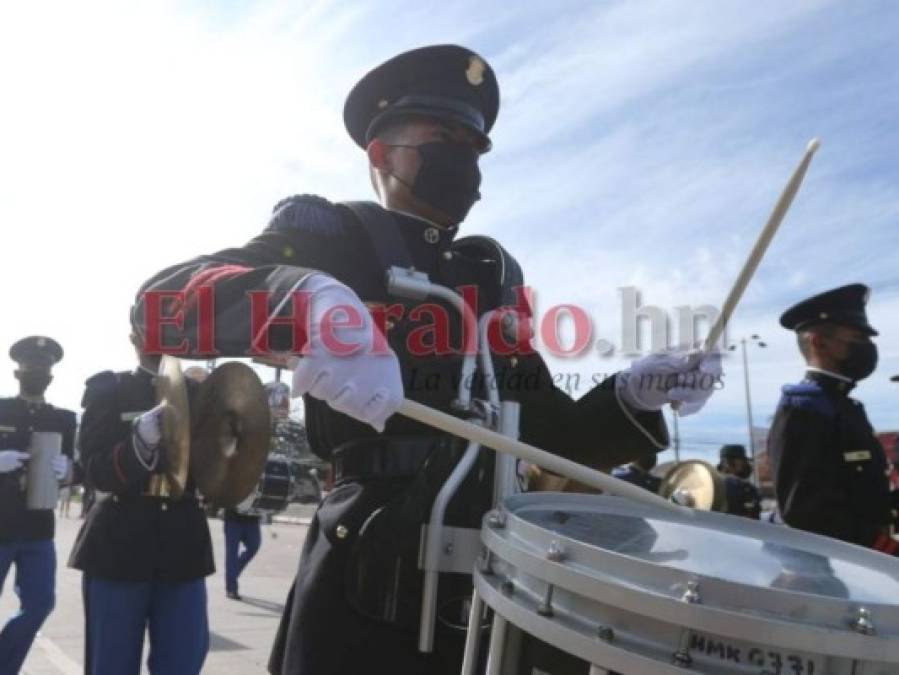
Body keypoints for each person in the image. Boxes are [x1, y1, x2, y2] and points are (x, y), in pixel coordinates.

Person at [132, 44, 720, 675]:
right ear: (380, 153)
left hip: (496, 571)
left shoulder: (490, 273)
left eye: (474, 144)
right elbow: (158, 308)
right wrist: (300, 296)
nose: (462, 157)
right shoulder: (332, 235)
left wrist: (631, 395)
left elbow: (550, 439)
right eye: (443, 136)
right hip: (370, 567)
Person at [68, 333, 214, 675]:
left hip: (182, 546)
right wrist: (138, 446)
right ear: (134, 335)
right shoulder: (110, 390)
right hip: (118, 545)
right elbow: (95, 471)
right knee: (111, 665)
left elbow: (218, 471)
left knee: (183, 662)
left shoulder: (203, 397)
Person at [769, 284, 894, 552]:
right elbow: (804, 511)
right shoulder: (804, 408)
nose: (869, 348)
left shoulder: (845, 406)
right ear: (819, 342)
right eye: (858, 339)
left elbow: (861, 494)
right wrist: (882, 548)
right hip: (839, 570)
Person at [0, 336, 75, 674]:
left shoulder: (63, 418)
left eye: (43, 369)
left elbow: (77, 466)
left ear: (51, 376)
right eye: (32, 368)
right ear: (18, 372)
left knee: (41, 603)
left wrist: (68, 472)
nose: (38, 374)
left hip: (38, 530)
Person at [716, 444, 761, 519]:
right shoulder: (746, 488)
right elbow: (753, 518)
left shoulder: (711, 484)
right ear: (727, 463)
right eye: (742, 461)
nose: (745, 464)